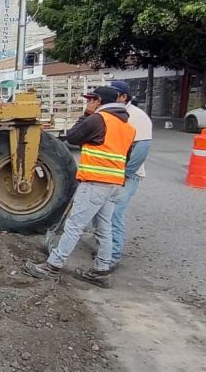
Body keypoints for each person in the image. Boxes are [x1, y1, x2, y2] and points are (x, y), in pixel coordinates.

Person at [24, 86, 136, 289]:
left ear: (99, 101)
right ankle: (100, 271)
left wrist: (86, 114)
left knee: (74, 226)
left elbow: (73, 137)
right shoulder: (127, 126)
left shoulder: (99, 119)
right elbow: (125, 157)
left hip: (95, 182)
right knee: (104, 229)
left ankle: (52, 266)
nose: (88, 102)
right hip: (114, 185)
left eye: (91, 99)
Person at [107, 80, 152, 268]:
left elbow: (141, 149)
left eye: (113, 95)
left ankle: (113, 256)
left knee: (114, 213)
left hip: (127, 175)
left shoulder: (137, 117)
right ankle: (105, 249)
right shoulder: (112, 114)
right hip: (110, 173)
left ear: (123, 97)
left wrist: (124, 174)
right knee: (104, 213)